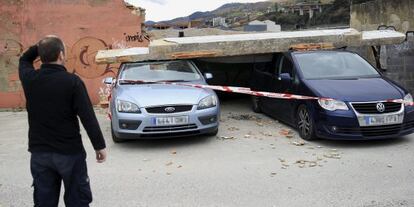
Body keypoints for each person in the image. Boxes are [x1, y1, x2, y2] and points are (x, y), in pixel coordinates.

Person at [19, 35, 107, 207]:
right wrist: (99, 146)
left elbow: (24, 59)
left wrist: (41, 47)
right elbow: (88, 117)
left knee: (43, 202)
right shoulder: (72, 82)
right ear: (61, 55)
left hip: (40, 154)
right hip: (70, 154)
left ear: (42, 55)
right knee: (77, 201)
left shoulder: (30, 79)